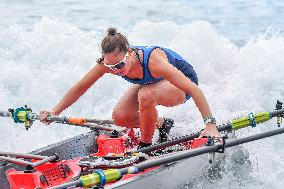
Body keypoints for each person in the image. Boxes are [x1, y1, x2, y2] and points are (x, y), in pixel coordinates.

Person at [40, 27, 220, 148]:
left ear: (130, 53)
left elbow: (194, 89)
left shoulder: (153, 61)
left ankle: (146, 146)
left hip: (183, 83)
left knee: (146, 95)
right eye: (111, 67)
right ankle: (162, 125)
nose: (117, 70)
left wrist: (210, 124)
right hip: (152, 84)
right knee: (120, 117)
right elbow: (80, 87)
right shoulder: (108, 64)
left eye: (119, 65)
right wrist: (54, 111)